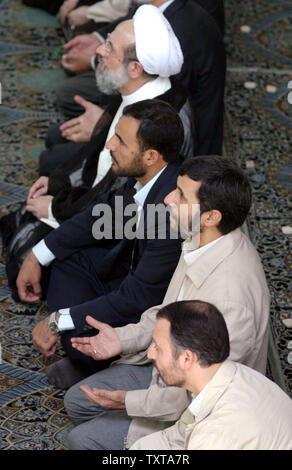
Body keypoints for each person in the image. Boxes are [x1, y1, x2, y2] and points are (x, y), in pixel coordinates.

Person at [63, 155, 270, 450]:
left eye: (181, 196)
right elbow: (167, 312)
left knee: (81, 440)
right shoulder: (202, 239)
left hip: (197, 414)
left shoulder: (228, 303)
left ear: (211, 216)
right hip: (168, 366)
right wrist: (121, 340)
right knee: (77, 403)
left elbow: (198, 393)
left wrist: (128, 402)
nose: (168, 200)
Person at [0, 5, 195, 297]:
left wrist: (57, 208)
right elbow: (99, 155)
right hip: (103, 198)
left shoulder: (155, 123)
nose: (100, 51)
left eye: (109, 47)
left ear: (135, 68)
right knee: (31, 205)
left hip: (121, 229)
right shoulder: (140, 86)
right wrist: (60, 183)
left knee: (23, 255)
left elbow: (119, 207)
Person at [16, 99, 185, 389]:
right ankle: (88, 356)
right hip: (128, 277)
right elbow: (97, 219)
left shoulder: (169, 216)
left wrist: (58, 320)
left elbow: (137, 300)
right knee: (66, 259)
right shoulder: (153, 177)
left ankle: (106, 367)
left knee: (75, 335)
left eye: (121, 140)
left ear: (150, 156)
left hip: (153, 313)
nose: (110, 145)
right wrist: (36, 256)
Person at [55, 0, 225, 155]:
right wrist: (96, 39)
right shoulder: (158, 8)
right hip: (130, 97)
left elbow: (160, 127)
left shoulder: (181, 35)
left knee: (53, 156)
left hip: (171, 148)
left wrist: (104, 125)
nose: (100, 50)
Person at [130, 300, 292, 450]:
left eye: (158, 347)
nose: (150, 354)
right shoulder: (234, 375)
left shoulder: (215, 436)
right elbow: (178, 436)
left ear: (187, 358)